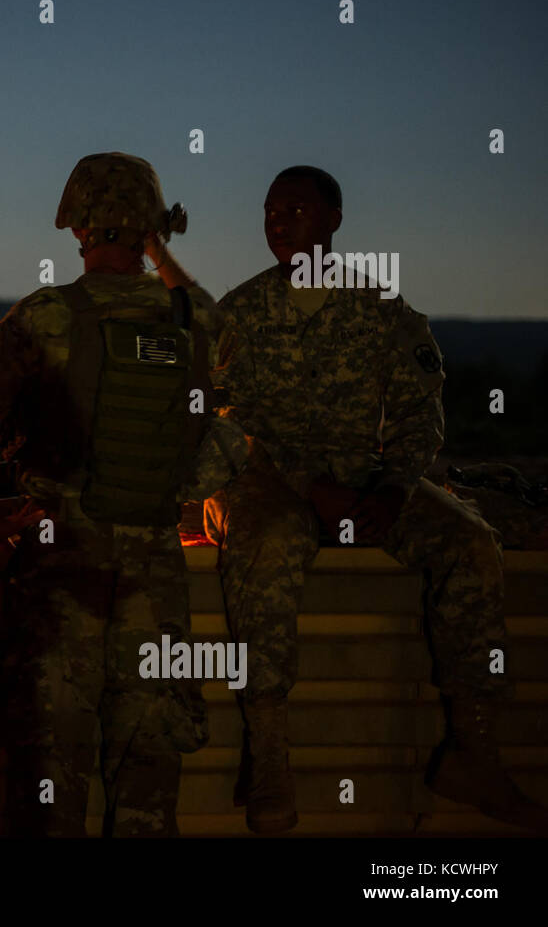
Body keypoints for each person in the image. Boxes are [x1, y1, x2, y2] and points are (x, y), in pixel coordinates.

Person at [206, 165, 547, 834]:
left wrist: (392, 490)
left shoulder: (383, 311)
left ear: (335, 220)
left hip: (368, 481)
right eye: (271, 210)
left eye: (297, 208)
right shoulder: (240, 313)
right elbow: (226, 414)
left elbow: (422, 414)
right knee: (264, 546)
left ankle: (474, 752)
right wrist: (309, 485)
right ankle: (269, 757)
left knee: (471, 542)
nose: (279, 221)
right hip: (269, 481)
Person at [0, 153, 248, 836]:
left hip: (60, 578)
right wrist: (161, 254)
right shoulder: (190, 323)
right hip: (156, 584)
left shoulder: (43, 317)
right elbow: (222, 332)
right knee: (146, 788)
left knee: (49, 785)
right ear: (151, 230)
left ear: (77, 225)